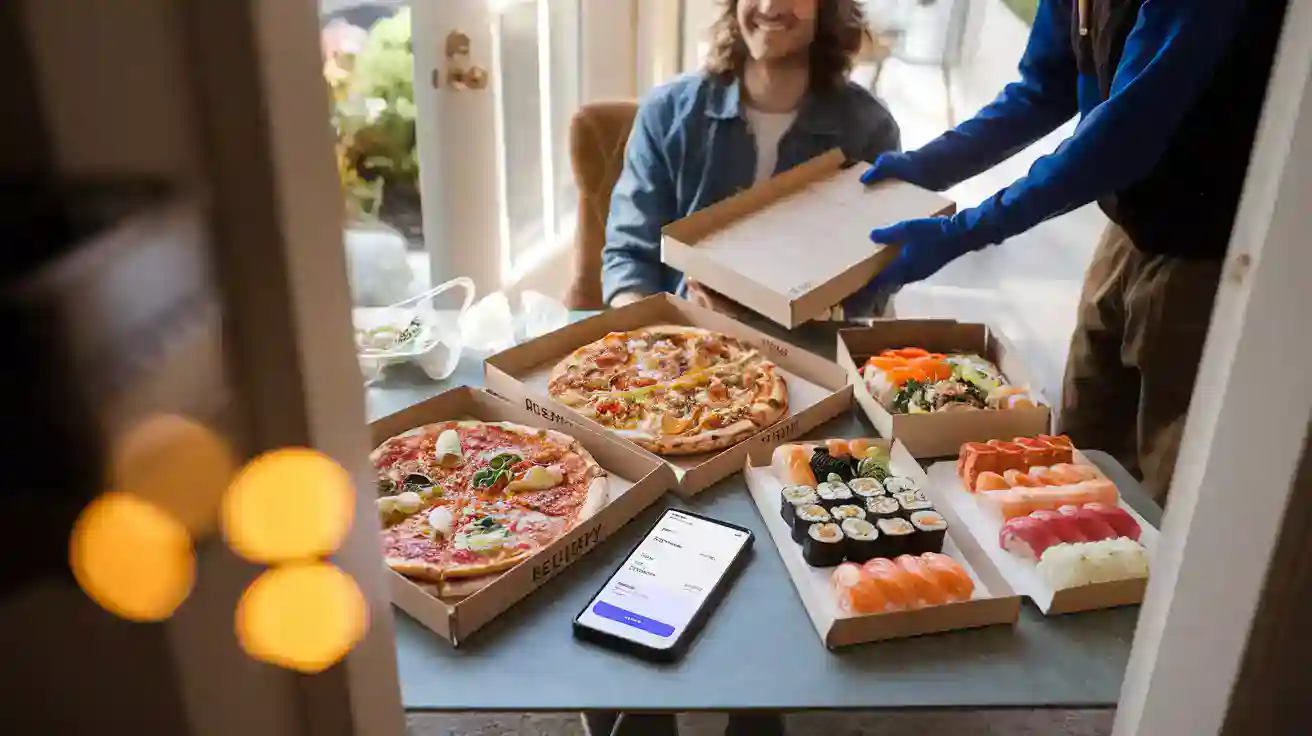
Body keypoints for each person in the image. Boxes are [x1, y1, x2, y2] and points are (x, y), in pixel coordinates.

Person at [847, 0, 1288, 502]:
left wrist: (966, 230)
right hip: (1128, 226)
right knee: (1077, 440)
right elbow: (1041, 90)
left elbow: (1119, 138)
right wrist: (928, 166)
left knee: (1168, 475)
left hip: (1209, 252)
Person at [601, 0, 900, 318]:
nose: (769, 6)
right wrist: (656, 339)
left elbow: (879, 275)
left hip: (809, 347)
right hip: (685, 345)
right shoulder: (666, 113)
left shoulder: (870, 129)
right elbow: (629, 256)